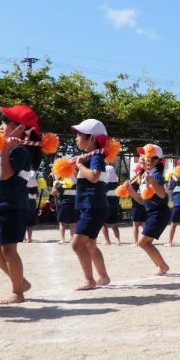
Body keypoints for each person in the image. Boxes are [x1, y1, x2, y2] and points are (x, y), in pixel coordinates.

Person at [0, 104, 41, 304]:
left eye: (6, 121)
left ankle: (17, 292)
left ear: (20, 128)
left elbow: (5, 175)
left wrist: (5, 148)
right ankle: (20, 282)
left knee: (9, 250)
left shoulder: (20, 151)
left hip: (11, 206)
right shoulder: (0, 151)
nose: (1, 125)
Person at [69, 118, 112, 290]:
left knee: (76, 244)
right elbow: (81, 180)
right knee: (90, 244)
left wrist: (79, 165)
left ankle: (89, 279)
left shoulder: (96, 157)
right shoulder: (88, 157)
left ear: (92, 138)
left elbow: (93, 177)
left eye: (79, 135)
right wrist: (74, 167)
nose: (76, 138)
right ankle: (103, 276)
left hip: (93, 206)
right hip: (91, 205)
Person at [126, 144, 170, 275]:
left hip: (159, 212)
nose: (143, 158)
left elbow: (162, 194)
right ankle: (160, 266)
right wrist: (130, 190)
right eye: (142, 155)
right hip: (151, 212)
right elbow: (141, 200)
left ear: (156, 160)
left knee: (143, 242)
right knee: (145, 242)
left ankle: (162, 266)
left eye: (147, 156)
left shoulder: (156, 175)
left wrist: (151, 180)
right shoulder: (147, 175)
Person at [101, 164, 122, 246]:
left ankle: (107, 240)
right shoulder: (117, 184)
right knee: (114, 224)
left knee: (103, 223)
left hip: (105, 204)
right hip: (115, 205)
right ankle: (117, 240)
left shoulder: (103, 183)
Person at [52, 176, 77, 244]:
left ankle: (62, 239)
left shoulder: (62, 183)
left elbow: (53, 192)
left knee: (62, 222)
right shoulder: (77, 183)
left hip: (64, 204)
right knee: (73, 223)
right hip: (75, 204)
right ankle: (72, 239)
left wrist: (55, 184)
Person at [129, 157, 147, 245]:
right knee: (144, 224)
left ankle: (136, 241)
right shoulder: (145, 182)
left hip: (136, 206)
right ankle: (146, 239)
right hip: (145, 205)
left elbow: (131, 194)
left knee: (135, 225)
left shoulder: (134, 183)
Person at [24, 168, 39, 243]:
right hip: (30, 201)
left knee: (26, 220)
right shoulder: (34, 182)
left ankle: (26, 238)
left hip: (28, 201)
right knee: (28, 220)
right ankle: (27, 238)